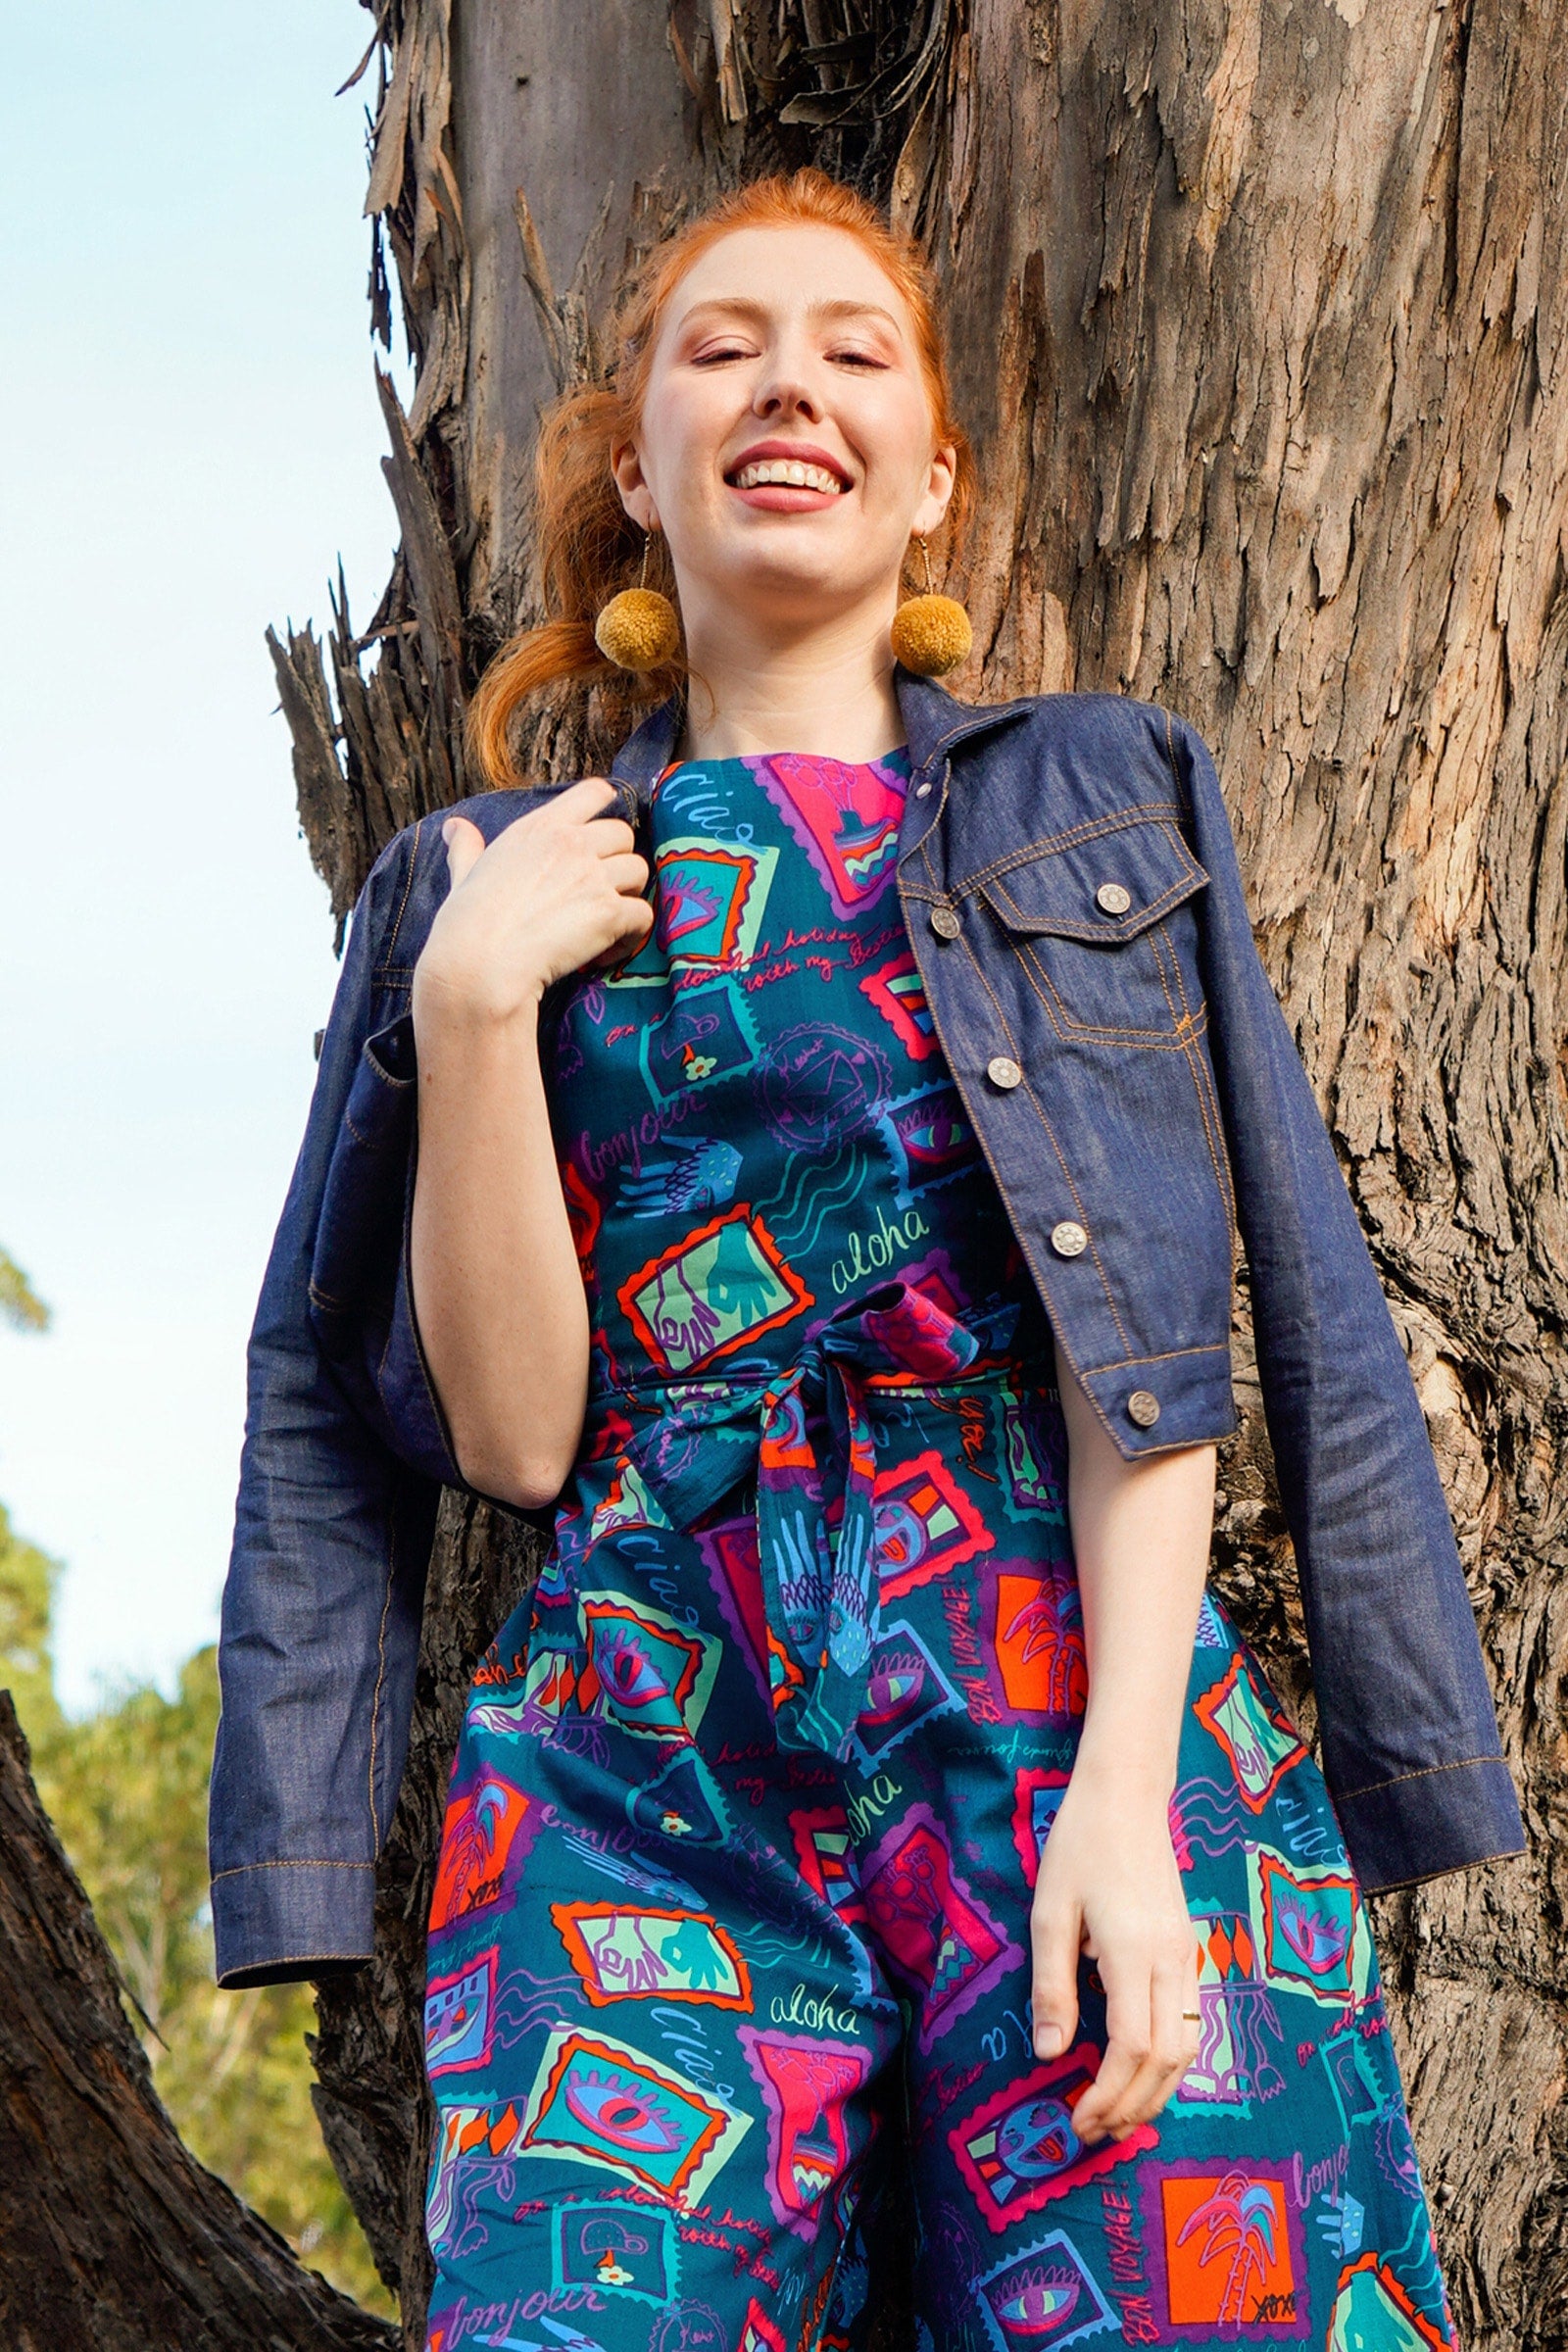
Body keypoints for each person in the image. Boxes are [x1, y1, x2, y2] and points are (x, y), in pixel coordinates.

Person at [209, 171, 1523, 2352]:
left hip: (1065, 1696)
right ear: (638, 473)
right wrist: (468, 1003)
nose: (785, 385)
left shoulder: (1095, 797)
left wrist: (1127, 1803)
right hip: (648, 1737)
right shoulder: (476, 887)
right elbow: (516, 1443)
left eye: (851, 349)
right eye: (719, 349)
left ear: (931, 483)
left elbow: (1175, 1327)